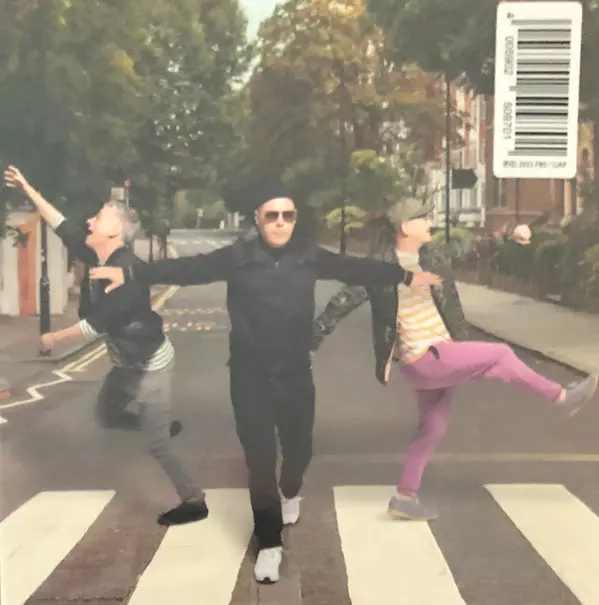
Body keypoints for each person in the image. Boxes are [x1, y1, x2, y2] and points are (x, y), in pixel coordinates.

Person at [88, 184, 441, 583]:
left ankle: (291, 490)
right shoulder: (238, 257)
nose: (280, 222)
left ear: (295, 220)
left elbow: (355, 268)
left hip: (295, 374)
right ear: (258, 219)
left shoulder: (308, 255)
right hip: (248, 376)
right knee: (259, 461)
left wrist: (405, 275)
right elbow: (187, 269)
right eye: (272, 215)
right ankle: (269, 543)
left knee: (299, 452)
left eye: (288, 215)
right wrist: (130, 272)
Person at [311, 197, 598, 522]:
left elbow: (467, 249)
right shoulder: (379, 269)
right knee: (501, 353)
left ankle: (404, 496)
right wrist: (311, 343)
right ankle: (560, 397)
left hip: (438, 354)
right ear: (405, 227)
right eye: (423, 219)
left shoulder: (431, 259)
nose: (430, 223)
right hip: (426, 357)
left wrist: (510, 236)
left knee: (433, 426)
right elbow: (340, 303)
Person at [3, 166, 208, 527]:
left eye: (97, 217)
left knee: (158, 446)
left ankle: (194, 501)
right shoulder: (93, 253)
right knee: (106, 415)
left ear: (114, 231)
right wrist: (27, 188)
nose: (89, 221)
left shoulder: (127, 272)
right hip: (125, 363)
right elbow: (59, 222)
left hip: (150, 365)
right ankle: (157, 425)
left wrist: (52, 338)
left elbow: (97, 325)